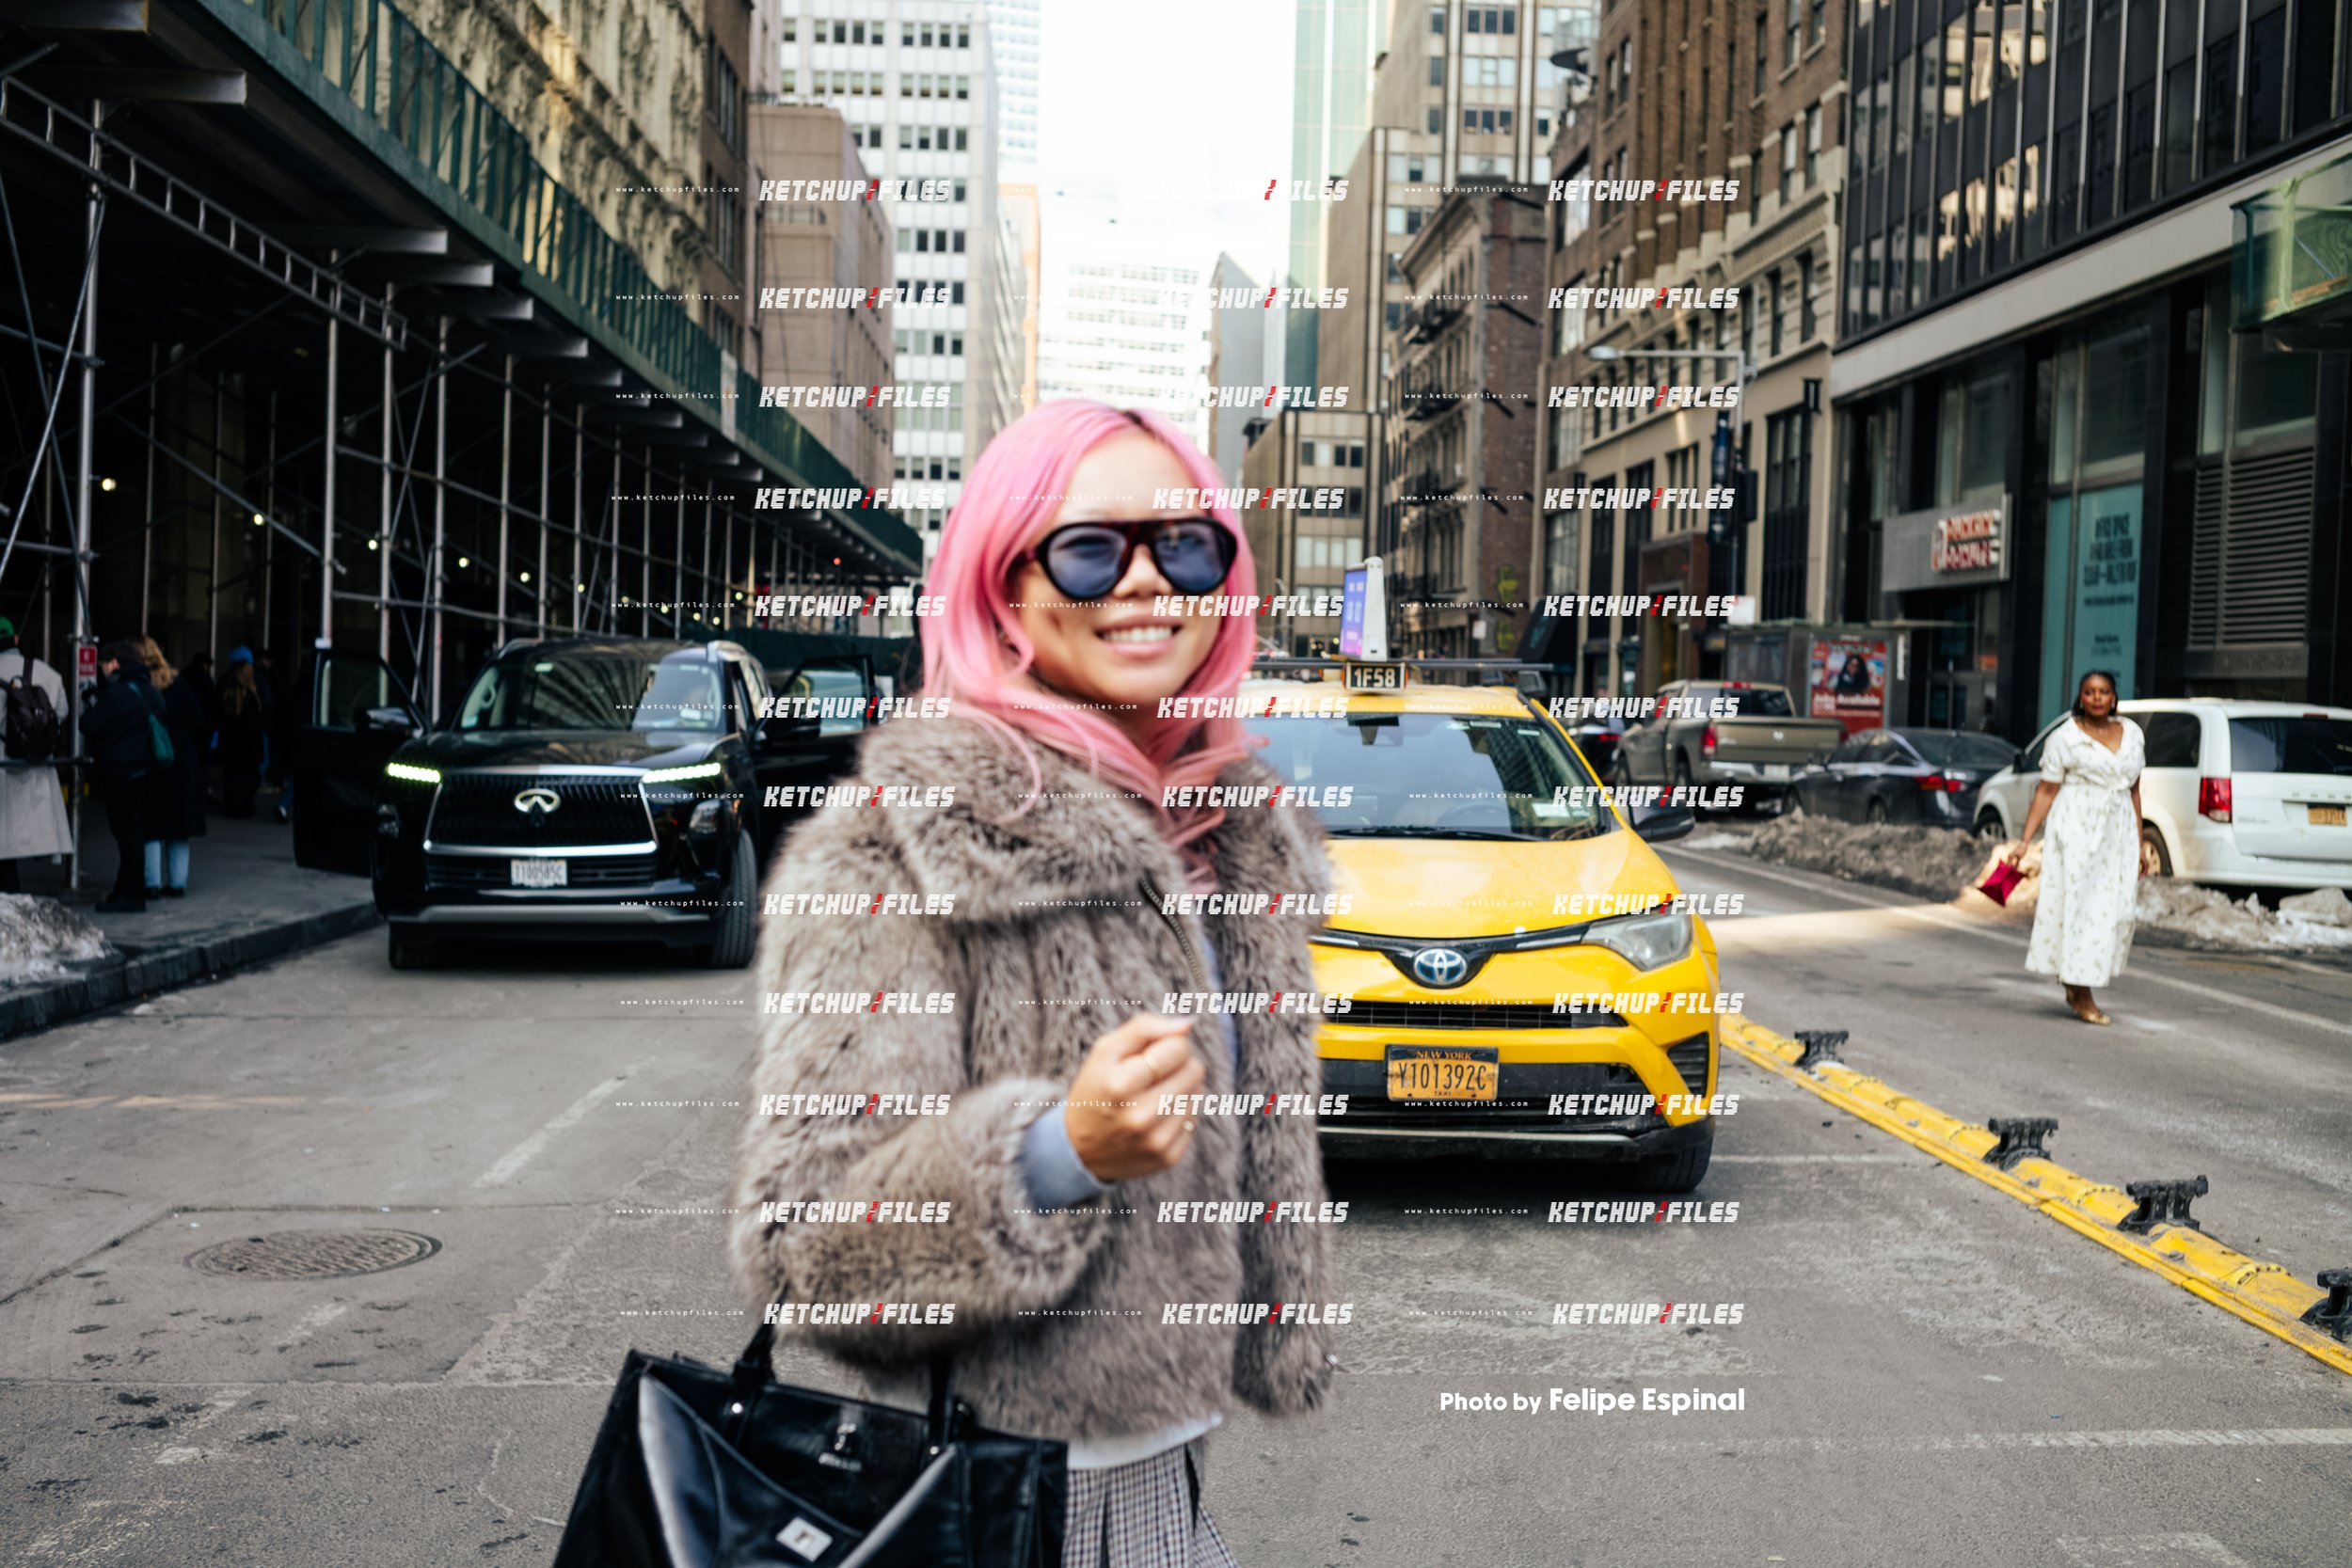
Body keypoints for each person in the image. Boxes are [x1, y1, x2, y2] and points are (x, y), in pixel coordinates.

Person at [727, 401, 1338, 1567]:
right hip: (973, 1490)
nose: (1148, 580)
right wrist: (1055, 1149)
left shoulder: (1221, 832)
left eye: (1187, 543)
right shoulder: (892, 850)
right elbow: (808, 1250)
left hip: (1167, 1467)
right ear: (1004, 588)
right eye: (1091, 548)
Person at [2003, 671, 2147, 1024]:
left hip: (2119, 831)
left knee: (2116, 910)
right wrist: (2024, 842)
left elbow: (2134, 790)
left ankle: (2075, 979)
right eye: (2089, 692)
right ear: (2080, 697)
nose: (2097, 698)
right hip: (2077, 829)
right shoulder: (2064, 737)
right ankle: (2082, 992)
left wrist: (2140, 843)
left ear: (2114, 697)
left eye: (2104, 692)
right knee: (2083, 908)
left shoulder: (2132, 734)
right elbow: (2046, 791)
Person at [79, 640, 166, 912]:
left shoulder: (116, 694)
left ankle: (131, 894)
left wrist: (92, 701)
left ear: (114, 663)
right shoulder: (149, 691)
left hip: (119, 771)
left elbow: (89, 725)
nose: (101, 669)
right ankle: (127, 889)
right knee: (134, 832)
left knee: (126, 834)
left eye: (103, 664)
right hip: (145, 770)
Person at [132, 636, 207, 898]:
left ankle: (150, 881)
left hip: (152, 754)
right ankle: (177, 883)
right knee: (179, 824)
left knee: (150, 822)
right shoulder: (179, 682)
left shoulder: (138, 686)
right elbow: (197, 718)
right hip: (181, 756)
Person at [0, 618, 71, 893]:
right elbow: (61, 715)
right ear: (16, 640)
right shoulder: (46, 673)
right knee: (18, 840)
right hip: (33, 766)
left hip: (2, 768)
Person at [216, 647, 266, 819]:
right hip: (248, 745)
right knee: (248, 778)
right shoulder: (253, 691)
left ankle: (233, 806)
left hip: (230, 743)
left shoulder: (225, 685)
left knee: (232, 777)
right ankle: (244, 807)